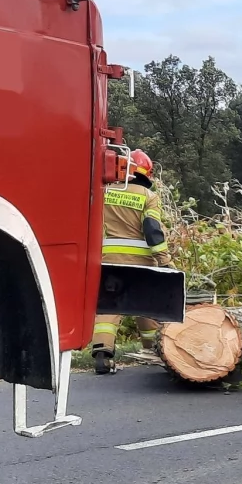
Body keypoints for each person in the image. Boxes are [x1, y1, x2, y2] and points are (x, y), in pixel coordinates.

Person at [91, 149, 173, 374]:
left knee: (108, 306)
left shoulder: (103, 192)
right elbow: (152, 230)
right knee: (145, 306)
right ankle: (152, 350)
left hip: (108, 260)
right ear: (146, 173)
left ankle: (102, 353)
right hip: (140, 262)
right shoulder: (148, 197)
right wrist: (164, 261)